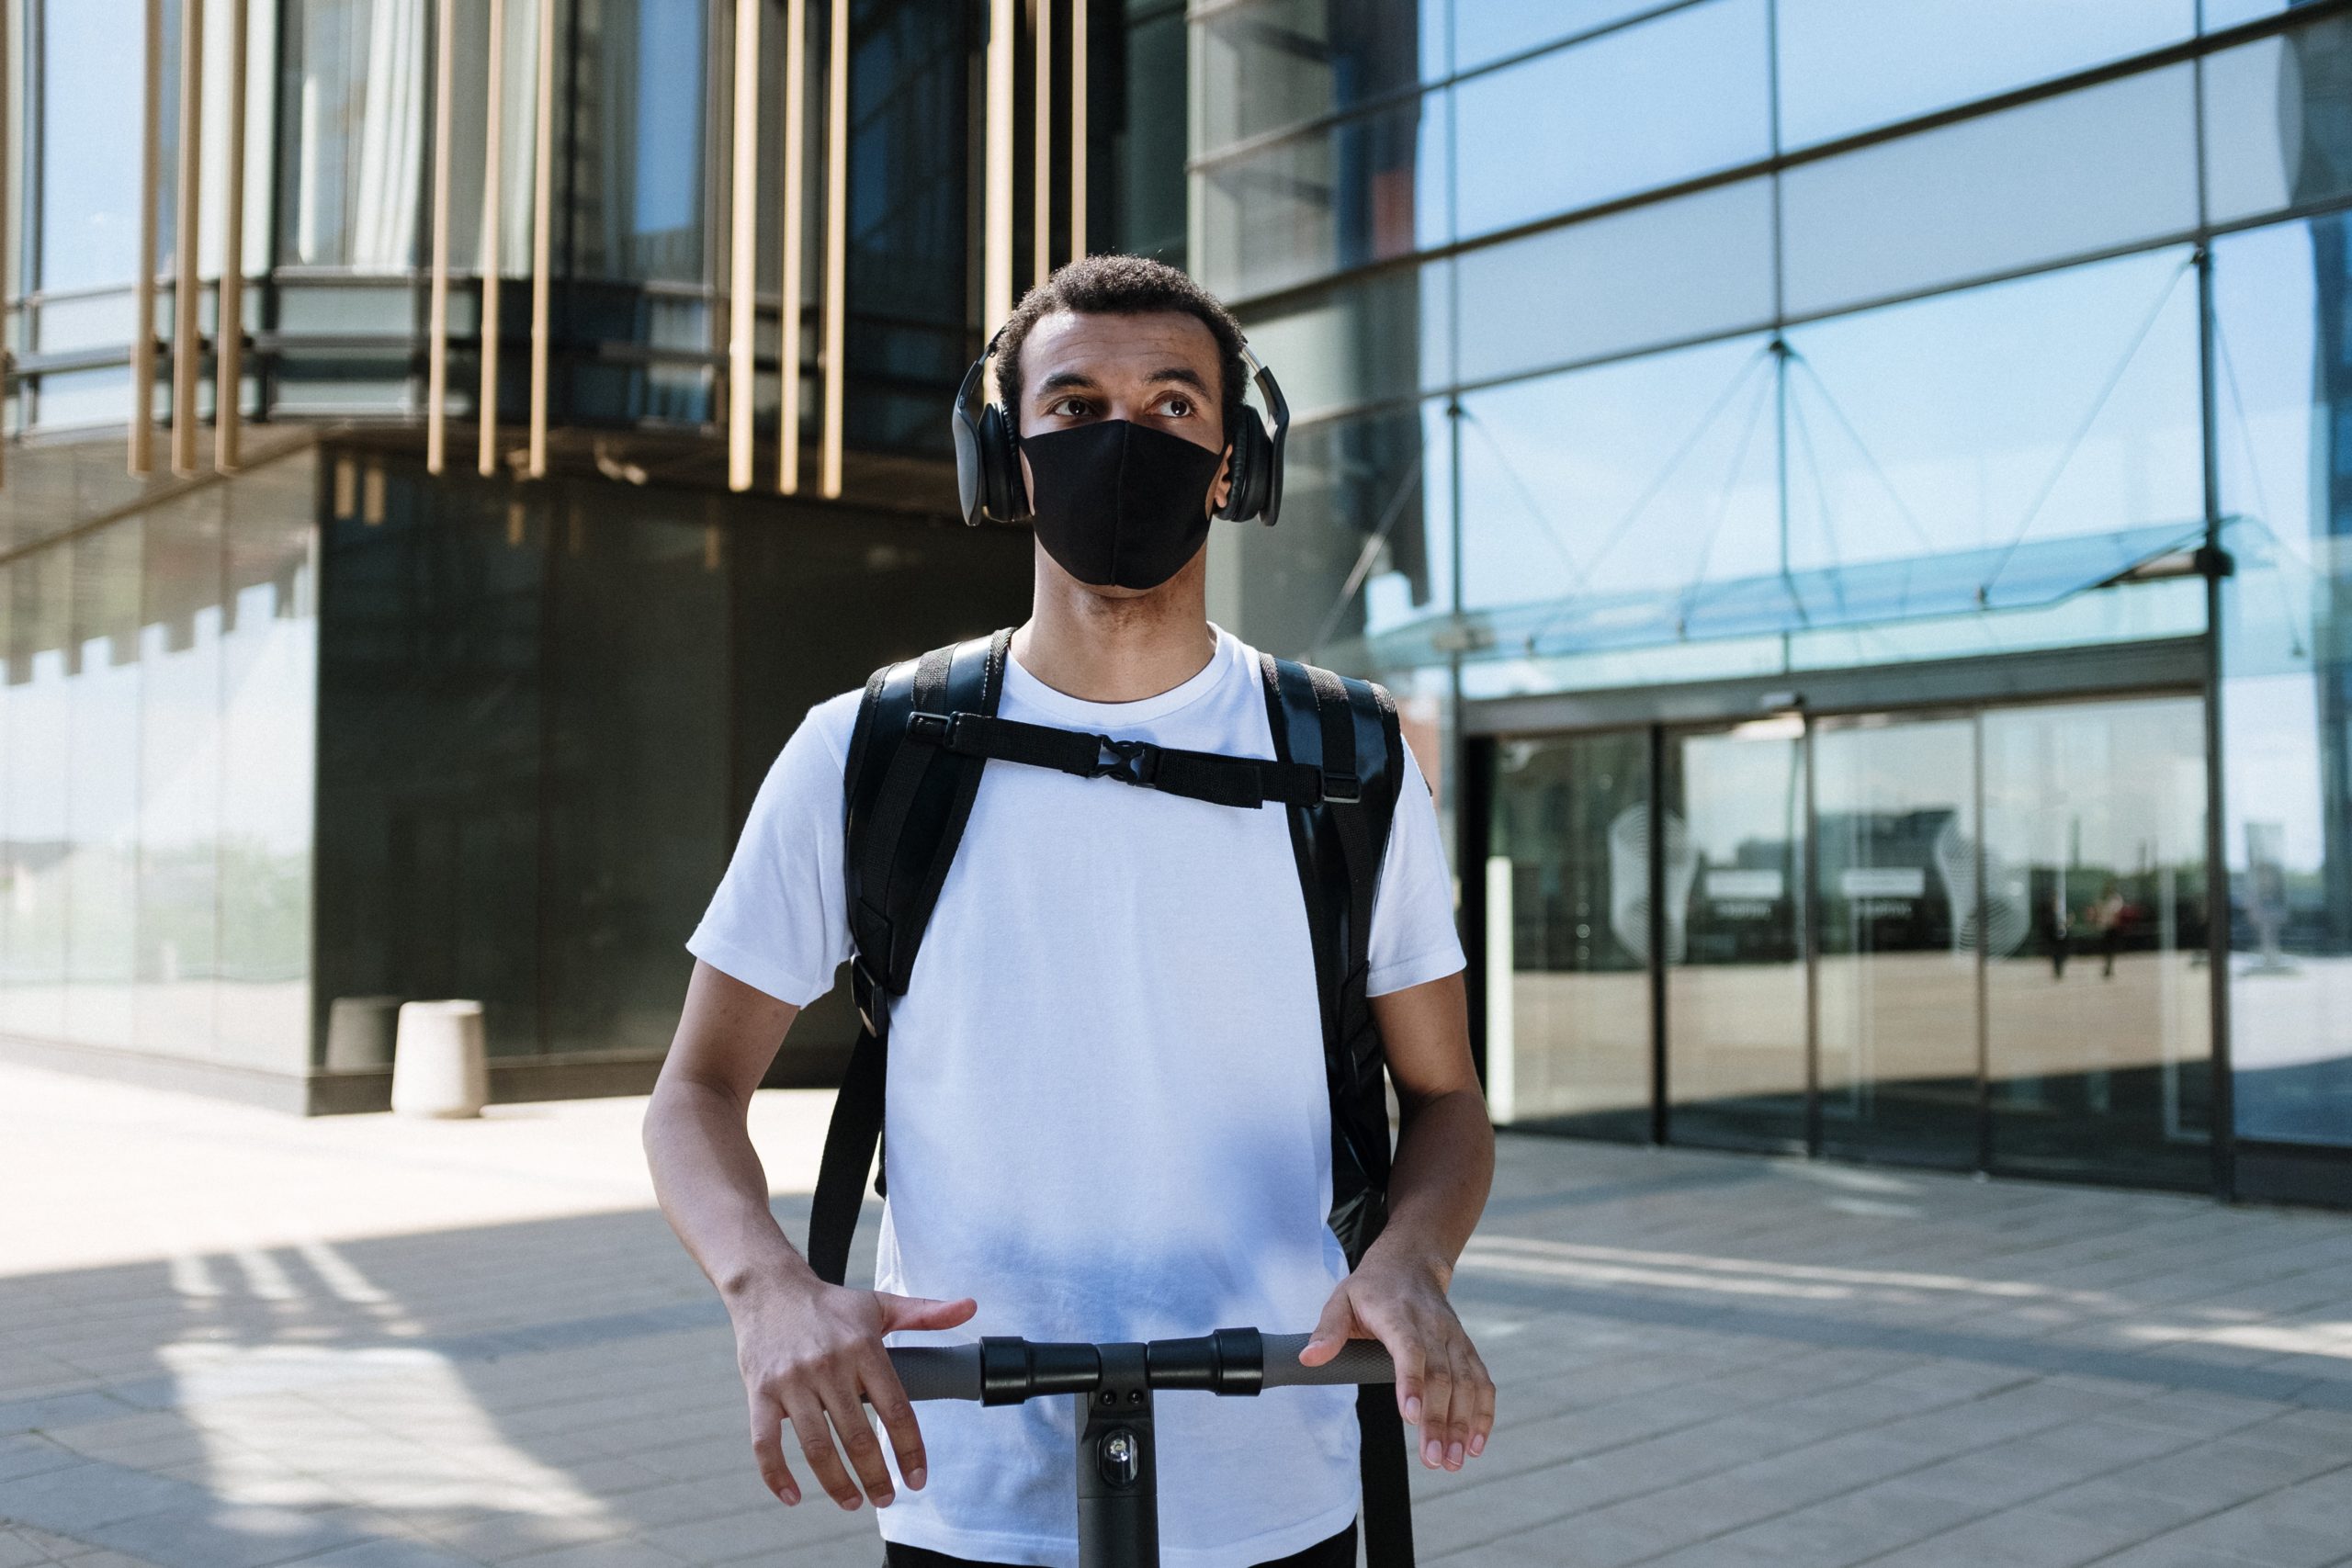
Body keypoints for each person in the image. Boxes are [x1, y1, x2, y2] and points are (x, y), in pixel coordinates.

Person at [643, 254, 1496, 1568]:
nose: (1123, 441)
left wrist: (1412, 1263)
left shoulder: (1350, 758)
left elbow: (1445, 1105)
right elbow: (693, 1090)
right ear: (1009, 455)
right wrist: (767, 1294)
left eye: (1171, 407)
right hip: (966, 1486)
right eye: (1074, 404)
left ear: (1233, 463)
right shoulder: (871, 749)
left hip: (1280, 1474)